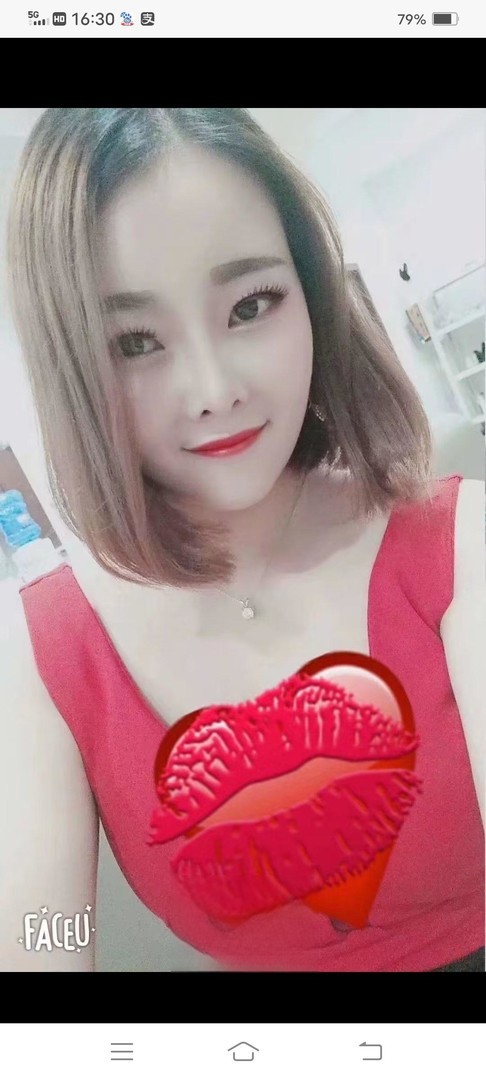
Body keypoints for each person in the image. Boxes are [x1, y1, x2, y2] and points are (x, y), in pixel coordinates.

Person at [2, 108, 484, 973]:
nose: (214, 389)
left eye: (251, 305)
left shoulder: (459, 542)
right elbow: (41, 937)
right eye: (134, 342)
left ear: (312, 293)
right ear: (70, 364)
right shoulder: (43, 652)